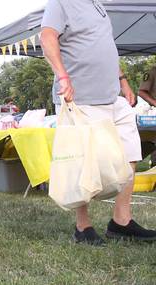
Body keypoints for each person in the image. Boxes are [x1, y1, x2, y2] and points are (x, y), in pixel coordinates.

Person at [41, 0, 156, 244]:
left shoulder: (98, 6)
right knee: (84, 162)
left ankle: (121, 221)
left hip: (112, 97)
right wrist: (62, 76)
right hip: (80, 98)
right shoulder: (61, 2)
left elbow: (106, 48)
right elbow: (47, 37)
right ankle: (83, 227)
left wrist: (123, 81)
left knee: (131, 152)